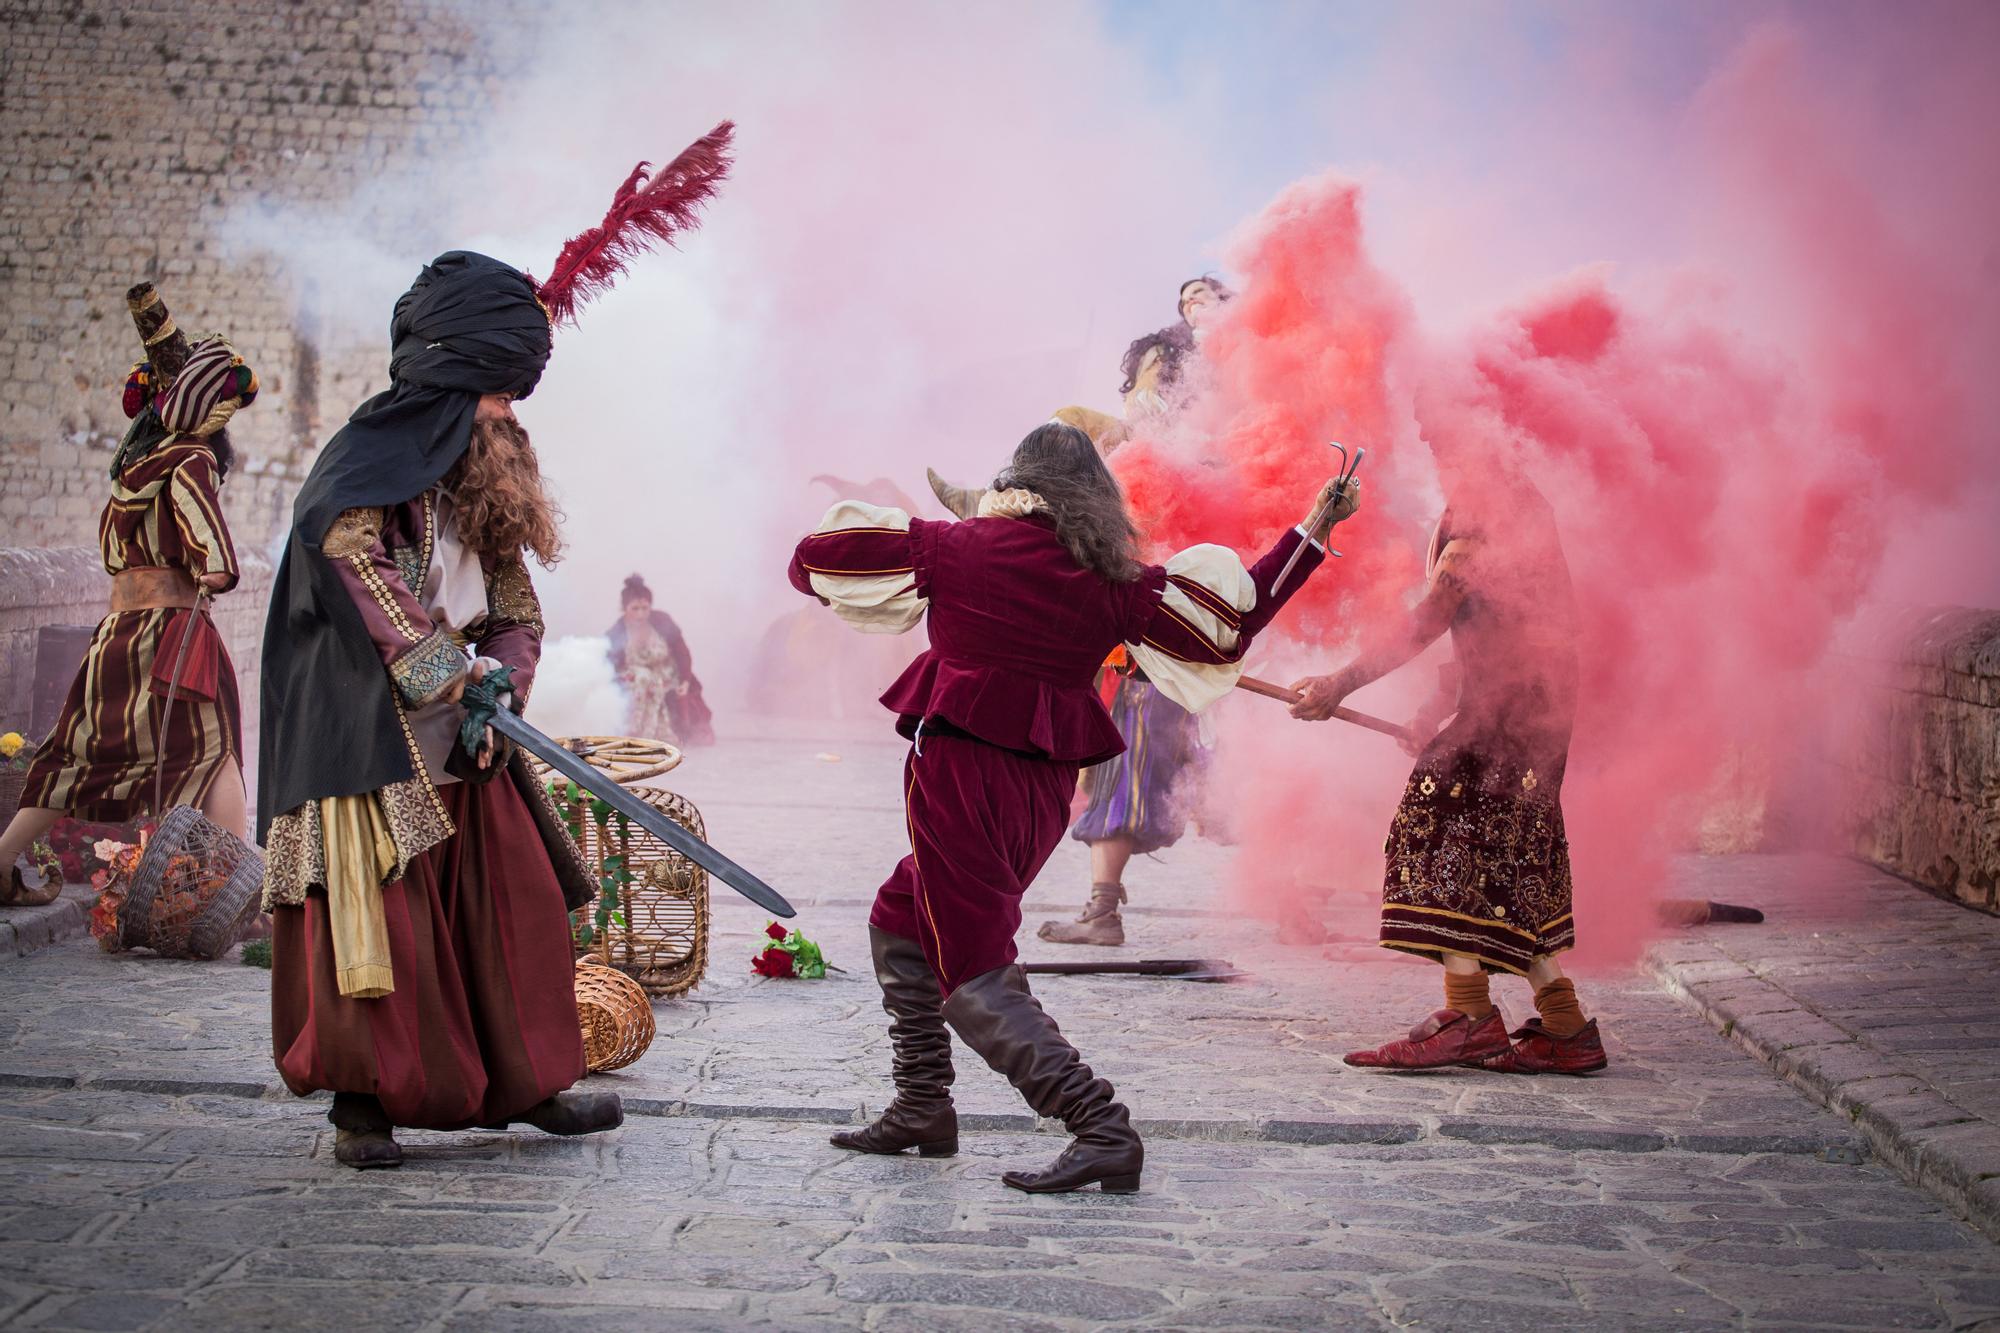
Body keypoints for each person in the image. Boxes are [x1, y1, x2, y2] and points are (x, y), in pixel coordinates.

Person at [796, 421, 1358, 1193]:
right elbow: (1238, 618)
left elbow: (811, 562)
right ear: (1094, 500)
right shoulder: (1114, 582)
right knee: (900, 916)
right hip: (1042, 793)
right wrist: (1314, 529)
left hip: (959, 770)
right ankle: (923, 1103)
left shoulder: (959, 546)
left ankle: (1100, 1125)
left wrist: (937, 542)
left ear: (1012, 480)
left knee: (972, 963)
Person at [259, 252, 621, 1169]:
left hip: (465, 728)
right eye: (499, 393)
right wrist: (447, 672)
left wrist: (501, 678)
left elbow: (515, 603)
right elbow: (349, 558)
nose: (510, 414)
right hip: (367, 729)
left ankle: (530, 1081)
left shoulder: (484, 474)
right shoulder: (363, 467)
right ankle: (363, 1109)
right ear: (457, 385)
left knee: (517, 903)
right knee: (381, 926)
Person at [1287, 433, 1607, 1075]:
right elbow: (1491, 627)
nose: (1440, 455)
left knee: (1433, 834)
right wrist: (1433, 713)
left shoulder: (1490, 514)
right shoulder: (1516, 502)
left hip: (1513, 716)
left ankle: (1468, 1019)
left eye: (1447, 441)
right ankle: (1567, 1027)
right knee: (1505, 866)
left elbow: (1427, 620)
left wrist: (1336, 685)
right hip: (1527, 712)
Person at [1, 283, 258, 905]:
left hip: (117, 631)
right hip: (173, 629)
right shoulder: (191, 460)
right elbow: (214, 555)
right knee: (213, 747)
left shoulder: (127, 476)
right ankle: (242, 892)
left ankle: (0, 860)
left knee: (75, 753)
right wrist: (219, 570)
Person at [1040, 275, 1236, 947]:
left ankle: (1103, 911)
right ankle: (1292, 883)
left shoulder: (1214, 445)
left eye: (1152, 377)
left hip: (1162, 632)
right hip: (1151, 628)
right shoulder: (1139, 454)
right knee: (1179, 763)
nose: (1138, 390)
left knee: (1135, 756)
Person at [607, 573, 715, 746]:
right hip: (637, 681)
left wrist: (685, 680)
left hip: (667, 674)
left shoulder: (662, 621)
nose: (641, 614)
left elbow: (682, 652)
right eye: (635, 608)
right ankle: (637, 734)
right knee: (642, 679)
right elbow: (610, 664)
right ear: (624, 608)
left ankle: (670, 734)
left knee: (668, 690)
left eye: (645, 608)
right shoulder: (617, 632)